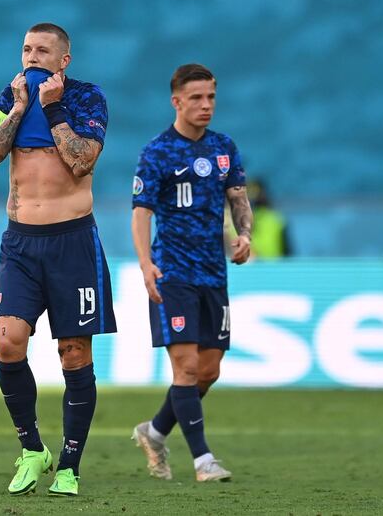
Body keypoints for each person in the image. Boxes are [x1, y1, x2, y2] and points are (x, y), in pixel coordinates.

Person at [0, 22, 116, 497]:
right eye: (26, 49)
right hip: (20, 244)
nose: (32, 58)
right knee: (8, 342)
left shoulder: (86, 98)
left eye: (42, 51)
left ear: (64, 60)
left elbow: (81, 160)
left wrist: (52, 109)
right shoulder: (8, 96)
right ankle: (33, 449)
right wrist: (18, 109)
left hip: (72, 242)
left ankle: (70, 464)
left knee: (73, 353)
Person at [130, 63, 252, 482]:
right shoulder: (157, 152)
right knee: (184, 368)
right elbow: (141, 213)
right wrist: (147, 264)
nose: (206, 105)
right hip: (173, 273)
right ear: (176, 102)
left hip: (213, 275)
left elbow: (237, 197)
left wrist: (245, 234)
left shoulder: (223, 148)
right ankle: (203, 461)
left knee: (207, 371)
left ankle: (155, 431)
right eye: (197, 98)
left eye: (211, 97)